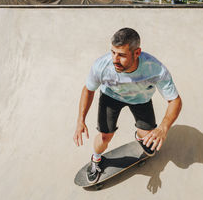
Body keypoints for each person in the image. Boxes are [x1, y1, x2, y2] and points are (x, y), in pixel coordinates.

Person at [73, 28, 182, 183]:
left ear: (137, 53)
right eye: (113, 52)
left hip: (141, 99)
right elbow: (88, 89)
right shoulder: (102, 66)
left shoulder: (155, 69)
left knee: (148, 138)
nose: (115, 60)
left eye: (122, 55)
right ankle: (96, 159)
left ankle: (140, 136)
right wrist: (80, 120)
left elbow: (175, 100)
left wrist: (163, 128)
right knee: (105, 137)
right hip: (111, 97)